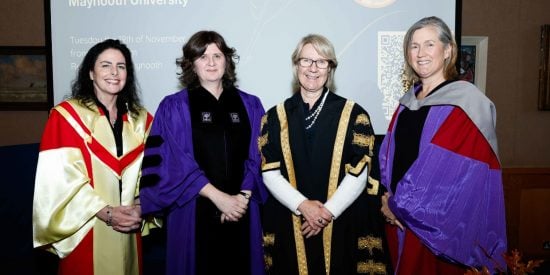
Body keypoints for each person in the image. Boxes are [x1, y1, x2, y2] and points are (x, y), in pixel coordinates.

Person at [379, 16, 507, 274]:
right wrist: (387, 198)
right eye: (414, 46)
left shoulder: (466, 103)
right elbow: (388, 159)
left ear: (447, 50)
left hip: (436, 229)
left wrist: (396, 206)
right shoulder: (408, 102)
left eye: (429, 44)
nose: (420, 53)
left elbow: (448, 178)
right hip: (401, 219)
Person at [259, 34, 390, 275]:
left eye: (321, 62)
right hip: (291, 223)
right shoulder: (274, 117)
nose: (313, 68)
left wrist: (327, 212)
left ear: (331, 68)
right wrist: (302, 206)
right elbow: (269, 172)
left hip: (341, 223)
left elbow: (360, 171)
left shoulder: (354, 114)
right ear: (295, 65)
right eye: (306, 60)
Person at [139, 30, 267, 275]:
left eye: (217, 56)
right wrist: (219, 198)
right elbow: (172, 161)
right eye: (203, 56)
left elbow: (259, 153)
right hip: (192, 210)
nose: (211, 62)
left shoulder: (250, 104)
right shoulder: (173, 107)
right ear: (191, 64)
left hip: (243, 209)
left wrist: (242, 197)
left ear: (227, 61)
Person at [32, 39, 153, 274]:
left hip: (129, 228)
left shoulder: (142, 121)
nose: (114, 72)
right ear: (90, 72)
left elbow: (152, 172)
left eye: (121, 66)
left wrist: (140, 206)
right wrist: (107, 213)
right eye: (105, 65)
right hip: (86, 227)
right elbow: (60, 181)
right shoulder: (66, 117)